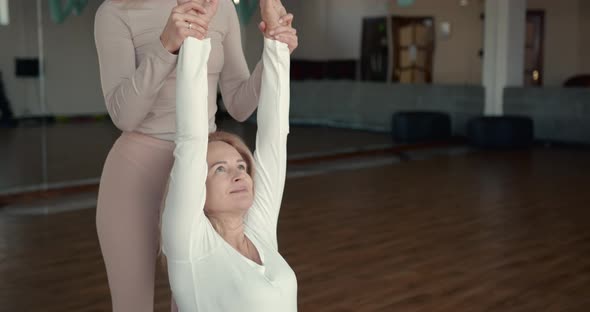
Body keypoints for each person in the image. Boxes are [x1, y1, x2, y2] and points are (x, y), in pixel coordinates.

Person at [93, 0, 298, 310]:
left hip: (207, 169)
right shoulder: (116, 11)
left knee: (195, 299)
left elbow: (239, 105)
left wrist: (274, 49)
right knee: (131, 304)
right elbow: (124, 116)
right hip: (136, 174)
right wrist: (166, 47)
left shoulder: (222, 7)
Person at [160, 0, 296, 310]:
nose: (238, 175)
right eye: (219, 169)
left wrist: (276, 44)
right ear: (196, 186)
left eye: (240, 166)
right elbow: (191, 138)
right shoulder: (190, 244)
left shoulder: (259, 230)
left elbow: (275, 139)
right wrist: (195, 35)